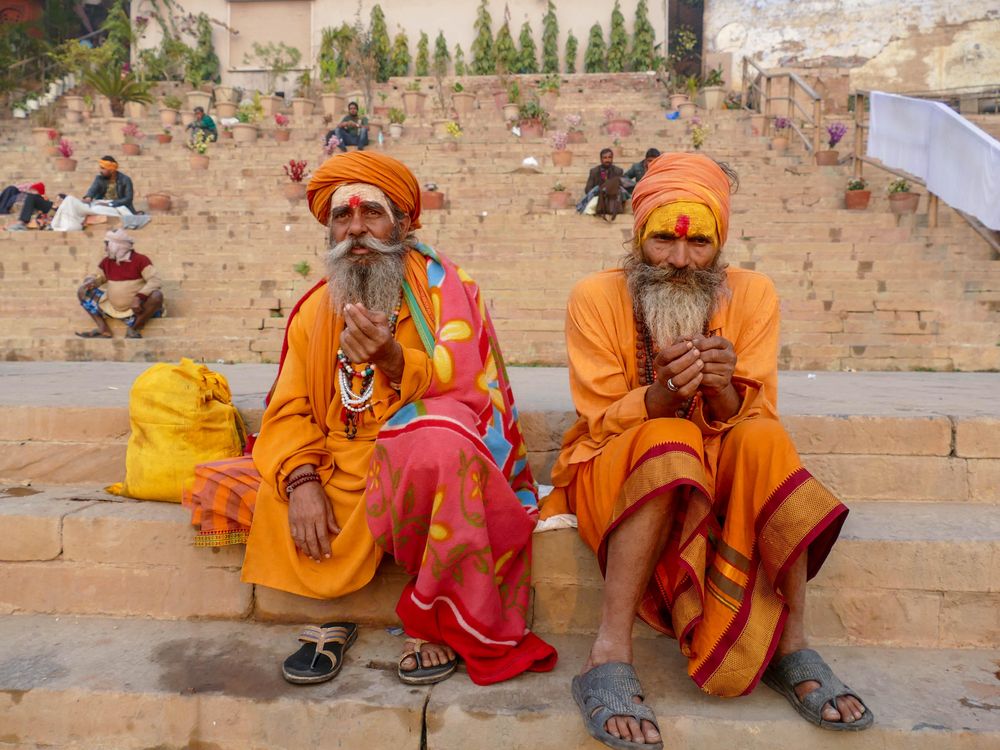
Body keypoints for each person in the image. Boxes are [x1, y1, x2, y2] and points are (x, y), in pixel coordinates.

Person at [188, 150, 556, 688]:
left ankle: (436, 616)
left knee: (441, 443)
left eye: (372, 214)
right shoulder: (317, 310)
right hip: (338, 466)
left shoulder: (442, 293)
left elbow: (467, 392)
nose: (357, 229)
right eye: (343, 216)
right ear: (328, 228)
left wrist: (391, 359)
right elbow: (288, 409)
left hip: (411, 463)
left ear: (402, 223)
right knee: (244, 481)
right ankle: (331, 610)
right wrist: (303, 477)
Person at [544, 152, 872, 749]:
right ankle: (608, 652)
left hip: (716, 471)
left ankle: (790, 644)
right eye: (663, 239)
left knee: (766, 437)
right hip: (615, 474)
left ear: (719, 241)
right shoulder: (594, 296)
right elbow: (598, 419)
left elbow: (753, 417)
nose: (678, 260)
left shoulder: (753, 295)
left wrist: (722, 390)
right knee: (669, 436)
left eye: (698, 245)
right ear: (638, 233)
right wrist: (664, 394)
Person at [76, 229, 163, 339]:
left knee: (157, 296)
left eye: (107, 245)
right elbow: (98, 277)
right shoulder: (107, 261)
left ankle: (134, 328)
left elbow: (155, 280)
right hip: (111, 308)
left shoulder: (141, 260)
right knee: (82, 291)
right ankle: (103, 329)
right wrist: (90, 281)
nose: (105, 249)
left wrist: (138, 297)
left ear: (116, 245)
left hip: (136, 309)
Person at [50, 156, 150, 231]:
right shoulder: (99, 178)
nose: (100, 170)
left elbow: (128, 199)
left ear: (111, 169)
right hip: (99, 203)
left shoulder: (125, 180)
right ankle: (65, 226)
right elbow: (92, 190)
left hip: (117, 206)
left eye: (103, 168)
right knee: (69, 200)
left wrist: (110, 204)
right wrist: (88, 197)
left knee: (97, 208)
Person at [576, 148, 627, 214]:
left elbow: (622, 188)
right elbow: (588, 189)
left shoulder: (618, 171)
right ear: (601, 159)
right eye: (605, 158)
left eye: (609, 157)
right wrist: (600, 191)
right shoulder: (594, 171)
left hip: (612, 199)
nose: (607, 160)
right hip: (598, 198)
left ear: (612, 158)